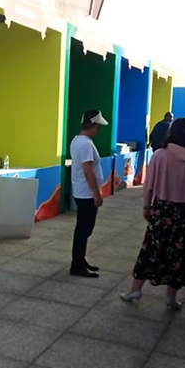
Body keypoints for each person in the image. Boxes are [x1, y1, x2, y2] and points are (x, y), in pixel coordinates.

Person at [120, 118, 185, 310]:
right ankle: (171, 297)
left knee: (151, 249)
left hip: (163, 210)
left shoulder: (159, 156)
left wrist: (146, 206)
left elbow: (148, 185)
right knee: (181, 253)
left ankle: (136, 290)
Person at [69, 110, 109, 278]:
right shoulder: (86, 144)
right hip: (86, 194)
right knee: (84, 230)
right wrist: (96, 194)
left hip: (82, 191)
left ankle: (80, 260)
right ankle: (77, 265)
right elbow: (88, 171)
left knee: (83, 229)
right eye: (98, 126)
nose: (99, 130)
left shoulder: (77, 140)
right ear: (93, 125)